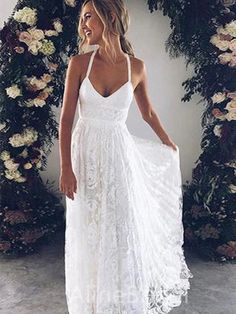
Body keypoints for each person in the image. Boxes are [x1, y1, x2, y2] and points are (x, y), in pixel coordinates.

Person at [59, 0, 193, 313]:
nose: (84, 25)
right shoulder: (79, 63)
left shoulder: (138, 67)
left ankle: (116, 304)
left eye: (89, 16)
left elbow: (148, 112)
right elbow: (66, 119)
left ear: (111, 16)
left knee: (118, 227)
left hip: (118, 155)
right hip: (84, 154)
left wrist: (168, 143)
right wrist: (66, 167)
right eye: (83, 18)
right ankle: (90, 305)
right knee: (87, 228)